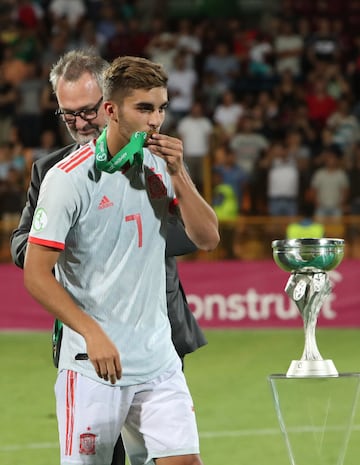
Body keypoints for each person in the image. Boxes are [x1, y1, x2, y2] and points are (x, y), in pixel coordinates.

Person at [10, 50, 210, 465]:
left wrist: (179, 174)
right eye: (69, 116)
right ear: (115, 107)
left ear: (105, 105)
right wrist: (90, 331)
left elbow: (204, 238)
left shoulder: (158, 162)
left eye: (160, 109)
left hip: (158, 351)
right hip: (92, 358)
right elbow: (33, 265)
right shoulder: (61, 176)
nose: (156, 120)